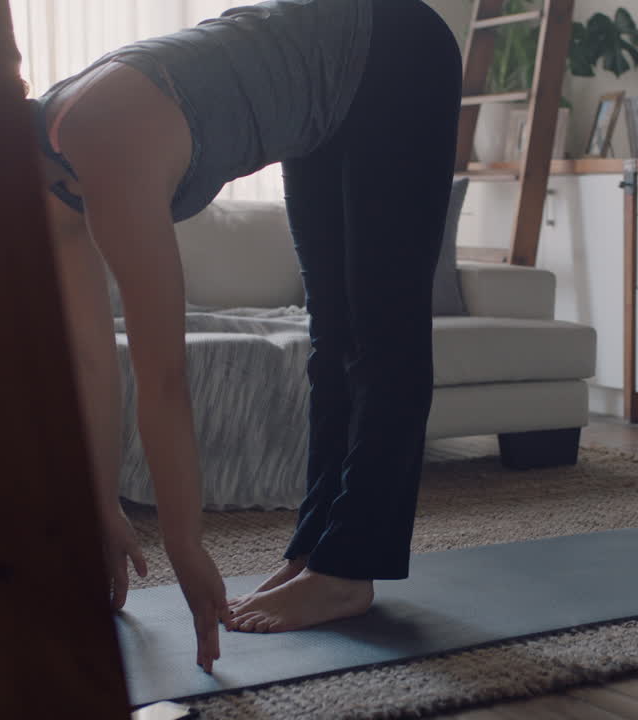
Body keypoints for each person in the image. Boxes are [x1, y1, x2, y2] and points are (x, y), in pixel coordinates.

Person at [28, 0, 461, 674]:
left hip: (392, 46)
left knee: (382, 329)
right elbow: (89, 357)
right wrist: (102, 503)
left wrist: (185, 544)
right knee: (334, 336)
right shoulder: (49, 179)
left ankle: (350, 567)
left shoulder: (96, 140)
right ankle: (316, 551)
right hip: (328, 90)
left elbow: (162, 374)